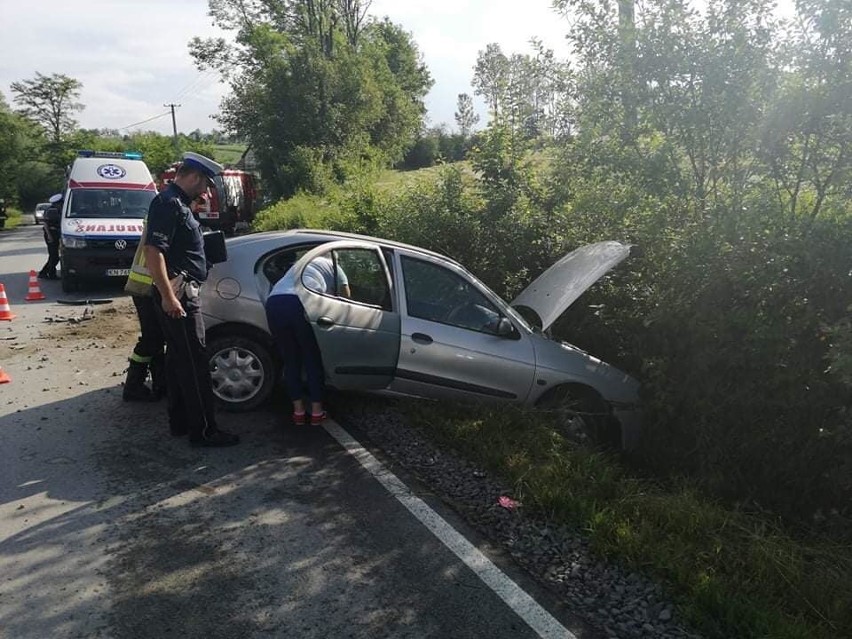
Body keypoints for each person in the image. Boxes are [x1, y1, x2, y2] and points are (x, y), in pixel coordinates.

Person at [143, 152, 239, 447]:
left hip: (181, 292)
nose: (207, 191)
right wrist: (169, 297)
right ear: (195, 177)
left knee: (177, 362)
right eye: (207, 184)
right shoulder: (168, 203)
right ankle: (205, 431)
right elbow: (153, 252)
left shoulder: (179, 204)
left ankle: (181, 422)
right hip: (180, 296)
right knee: (195, 364)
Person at [264, 254, 349, 426]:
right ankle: (317, 412)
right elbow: (346, 298)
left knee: (290, 359)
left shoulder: (300, 264)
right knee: (311, 357)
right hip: (301, 302)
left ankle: (298, 412)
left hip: (274, 302)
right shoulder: (334, 266)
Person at [122, 220, 166, 402]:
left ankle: (161, 385)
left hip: (146, 284)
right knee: (152, 338)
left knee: (157, 338)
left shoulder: (163, 209)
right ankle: (133, 386)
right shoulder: (167, 211)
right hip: (146, 286)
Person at [38, 193, 62, 280]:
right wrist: (49, 236)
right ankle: (48, 273)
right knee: (54, 256)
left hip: (54, 234)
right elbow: (46, 225)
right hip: (52, 234)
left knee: (54, 256)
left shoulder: (54, 209)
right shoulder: (52, 211)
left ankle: (46, 272)